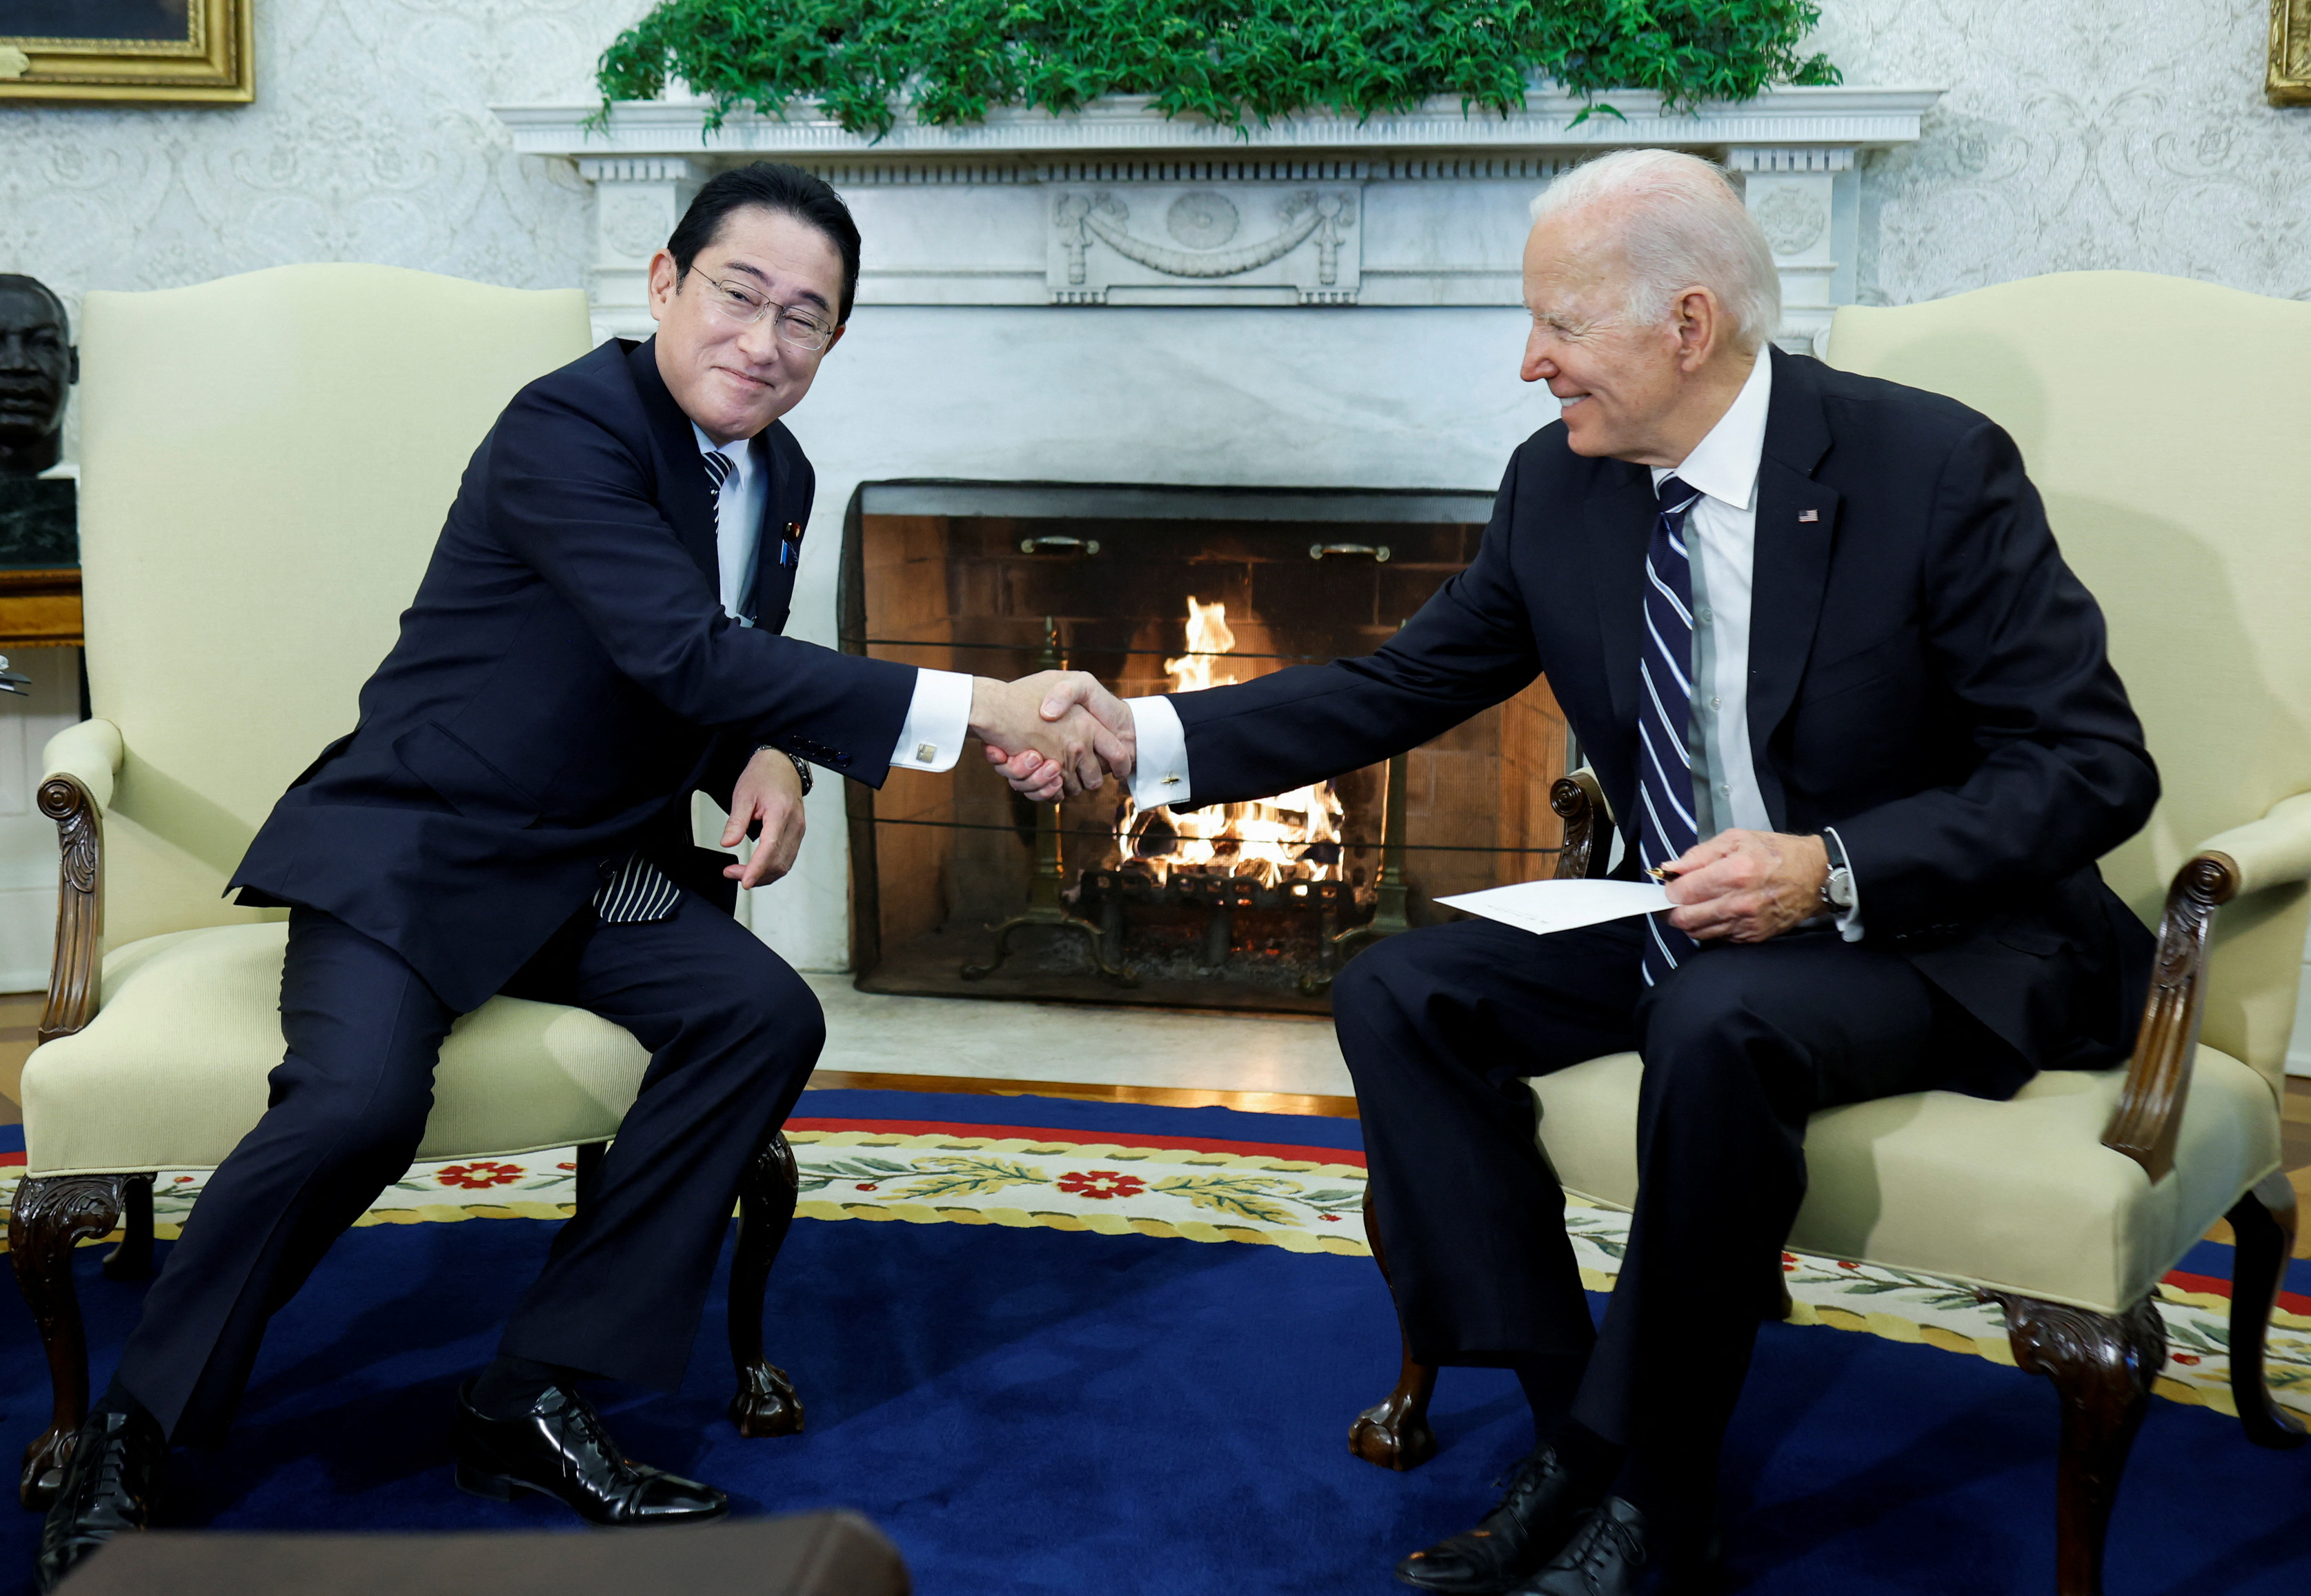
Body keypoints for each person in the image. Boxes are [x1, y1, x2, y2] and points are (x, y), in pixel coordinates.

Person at [998, 148, 2156, 1595]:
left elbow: (2090, 762)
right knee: (1403, 982)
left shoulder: (1926, 466)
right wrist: (1140, 731)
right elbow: (1397, 683)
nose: (1529, 359)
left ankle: (1641, 1487)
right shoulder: (1564, 483)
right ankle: (1580, 1440)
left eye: (1559, 321)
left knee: (1717, 1021)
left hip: (1930, 929)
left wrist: (1829, 864)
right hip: (1695, 910)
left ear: (1686, 323)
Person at [37, 161, 1129, 1590]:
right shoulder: (570, 425)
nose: (766, 337)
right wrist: (984, 704)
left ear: (834, 344)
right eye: (741, 293)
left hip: (593, 867)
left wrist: (770, 754)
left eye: (808, 316)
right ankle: (137, 1425)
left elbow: (704, 661)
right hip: (422, 847)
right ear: (667, 284)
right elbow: (680, 644)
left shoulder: (779, 474)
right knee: (356, 1101)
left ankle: (531, 1392)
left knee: (761, 1013)